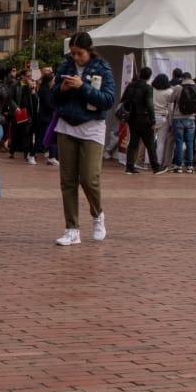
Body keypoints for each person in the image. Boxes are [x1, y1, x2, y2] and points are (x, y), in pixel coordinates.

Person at [51, 32, 116, 246]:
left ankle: (98, 215)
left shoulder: (102, 68)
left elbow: (108, 100)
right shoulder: (65, 66)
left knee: (89, 177)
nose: (76, 58)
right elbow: (51, 97)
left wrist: (83, 87)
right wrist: (61, 88)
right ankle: (72, 229)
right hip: (67, 126)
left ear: (89, 51)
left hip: (92, 127)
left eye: (80, 54)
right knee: (67, 180)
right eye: (73, 53)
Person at [122, 67, 165, 175]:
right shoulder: (147, 88)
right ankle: (156, 167)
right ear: (149, 77)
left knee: (133, 143)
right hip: (144, 118)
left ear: (140, 74)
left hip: (132, 118)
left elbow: (123, 100)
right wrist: (152, 120)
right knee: (150, 143)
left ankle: (129, 167)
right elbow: (150, 104)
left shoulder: (130, 85)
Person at [170, 71, 196, 173]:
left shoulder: (178, 88)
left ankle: (178, 166)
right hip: (191, 118)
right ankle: (190, 166)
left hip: (178, 117)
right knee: (190, 142)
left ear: (182, 78)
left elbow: (170, 99)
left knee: (179, 142)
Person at [151, 73, 174, 169]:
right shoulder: (169, 92)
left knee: (150, 141)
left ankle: (149, 161)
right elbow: (170, 108)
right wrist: (171, 120)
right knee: (161, 141)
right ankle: (158, 162)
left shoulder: (152, 90)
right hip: (163, 117)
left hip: (151, 117)